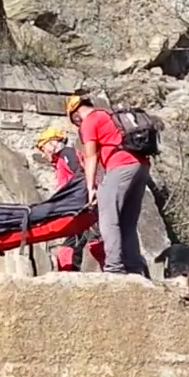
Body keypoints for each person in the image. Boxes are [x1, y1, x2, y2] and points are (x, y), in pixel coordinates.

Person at [67, 93, 149, 277]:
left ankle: (114, 267)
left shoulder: (90, 121)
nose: (78, 126)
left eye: (75, 123)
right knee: (127, 221)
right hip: (141, 166)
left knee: (108, 218)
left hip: (121, 167)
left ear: (76, 114)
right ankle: (134, 266)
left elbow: (91, 156)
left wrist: (91, 187)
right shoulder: (109, 115)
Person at [34, 125, 103, 272]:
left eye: (43, 147)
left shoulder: (67, 154)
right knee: (70, 247)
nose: (43, 153)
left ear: (53, 142)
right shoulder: (61, 160)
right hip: (77, 209)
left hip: (83, 207)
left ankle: (115, 271)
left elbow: (80, 175)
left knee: (93, 243)